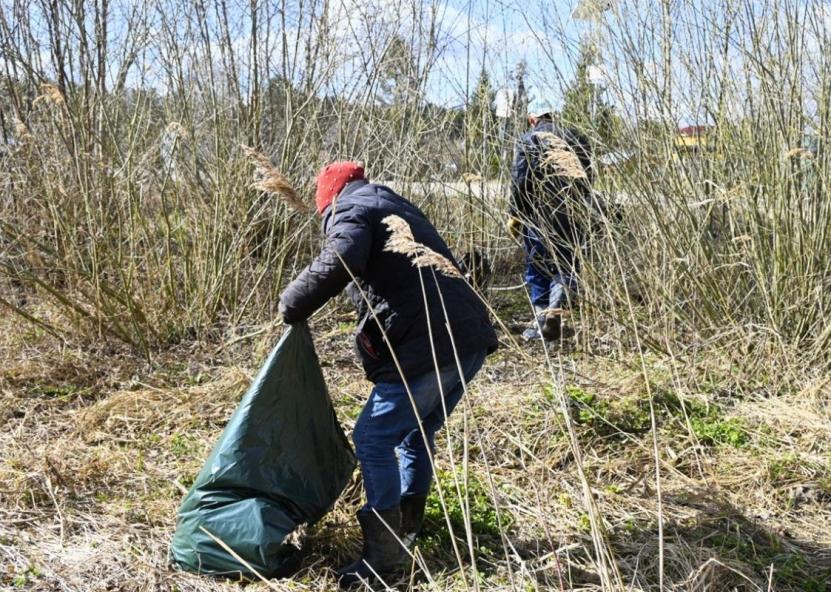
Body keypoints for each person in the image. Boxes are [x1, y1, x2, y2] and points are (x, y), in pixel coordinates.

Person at [279, 161, 498, 587]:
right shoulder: (391, 204)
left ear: (330, 198)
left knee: (373, 438)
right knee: (416, 433)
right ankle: (408, 531)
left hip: (431, 345)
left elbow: (341, 255)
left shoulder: (351, 207)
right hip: (468, 340)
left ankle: (385, 559)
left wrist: (292, 302)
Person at [507, 110, 594, 342]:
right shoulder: (579, 138)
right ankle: (556, 308)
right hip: (572, 214)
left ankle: (541, 322)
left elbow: (521, 181)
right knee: (566, 265)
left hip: (538, 214)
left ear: (533, 118)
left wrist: (515, 214)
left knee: (537, 267)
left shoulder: (530, 138)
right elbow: (588, 179)